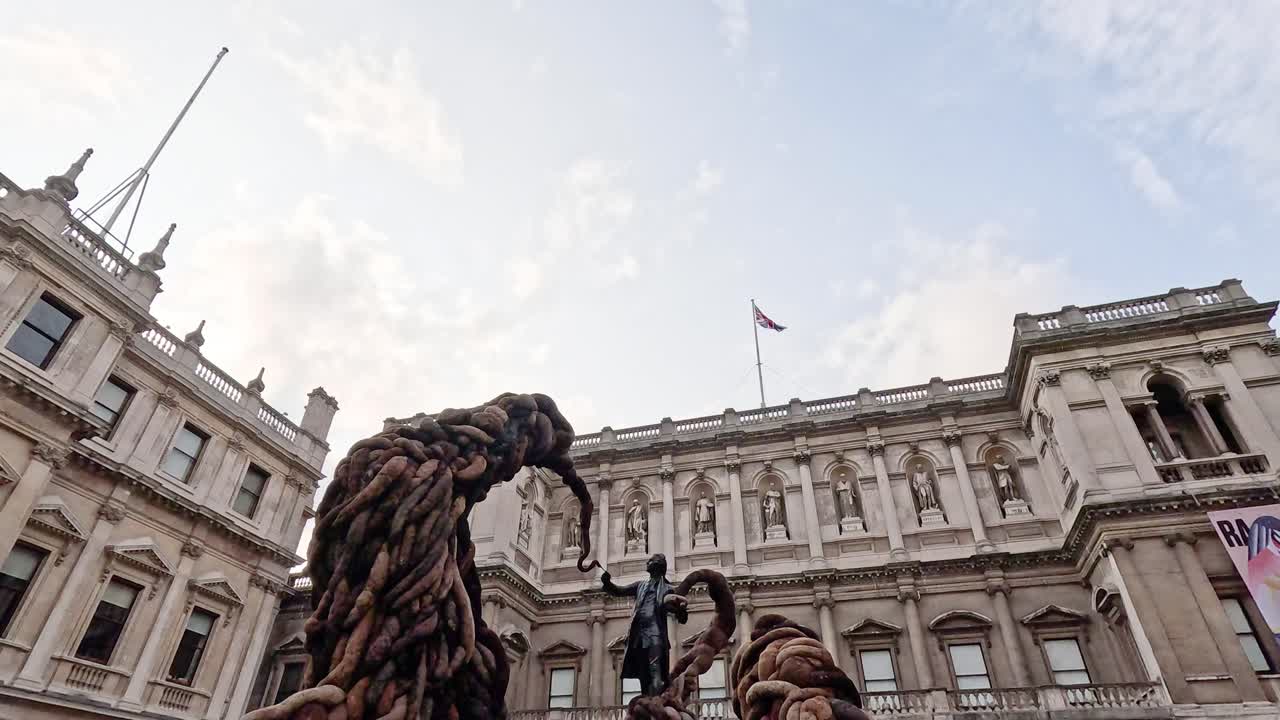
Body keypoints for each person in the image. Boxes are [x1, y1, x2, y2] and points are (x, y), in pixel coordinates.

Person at [600, 554, 687, 697]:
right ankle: (647, 701)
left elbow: (680, 616)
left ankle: (658, 704)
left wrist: (682, 610)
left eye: (651, 560)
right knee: (643, 675)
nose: (648, 562)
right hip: (638, 635)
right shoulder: (640, 586)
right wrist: (607, 583)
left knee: (656, 674)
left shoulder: (668, 590)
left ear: (659, 565)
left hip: (655, 634)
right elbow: (619, 591)